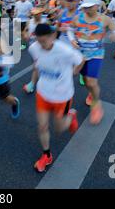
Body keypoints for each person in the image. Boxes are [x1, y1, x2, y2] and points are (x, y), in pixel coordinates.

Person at [29, 24, 83, 172]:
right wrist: (33, 82)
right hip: (43, 93)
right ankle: (46, 155)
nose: (42, 45)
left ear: (52, 36)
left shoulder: (65, 50)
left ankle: (71, 116)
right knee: (42, 126)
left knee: (59, 129)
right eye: (39, 41)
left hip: (62, 96)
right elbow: (36, 64)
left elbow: (81, 60)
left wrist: (74, 73)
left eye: (44, 41)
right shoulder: (34, 48)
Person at [68, 0, 115, 125]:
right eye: (85, 7)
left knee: (91, 81)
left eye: (89, 6)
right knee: (86, 80)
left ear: (96, 6)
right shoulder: (78, 18)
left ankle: (96, 104)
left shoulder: (105, 19)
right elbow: (70, 30)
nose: (87, 9)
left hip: (96, 54)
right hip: (80, 54)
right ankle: (91, 93)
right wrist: (72, 40)